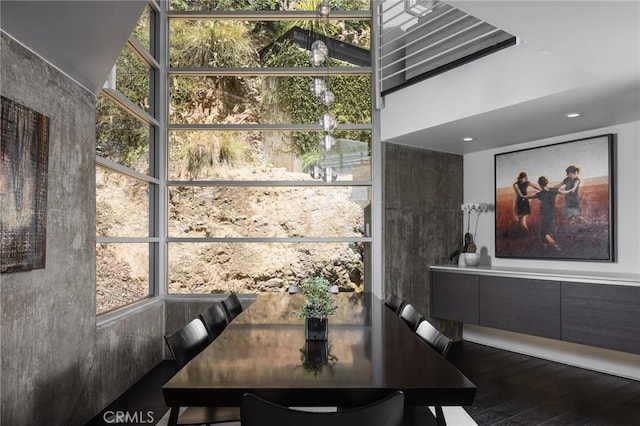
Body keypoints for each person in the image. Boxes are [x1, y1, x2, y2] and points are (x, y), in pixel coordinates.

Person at [530, 176, 565, 251]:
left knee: (546, 234)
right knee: (544, 233)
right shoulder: (553, 190)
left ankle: (557, 248)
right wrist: (571, 190)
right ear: (546, 182)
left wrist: (523, 196)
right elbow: (564, 192)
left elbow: (531, 196)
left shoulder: (540, 194)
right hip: (552, 214)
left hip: (546, 216)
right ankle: (545, 247)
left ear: (540, 184)